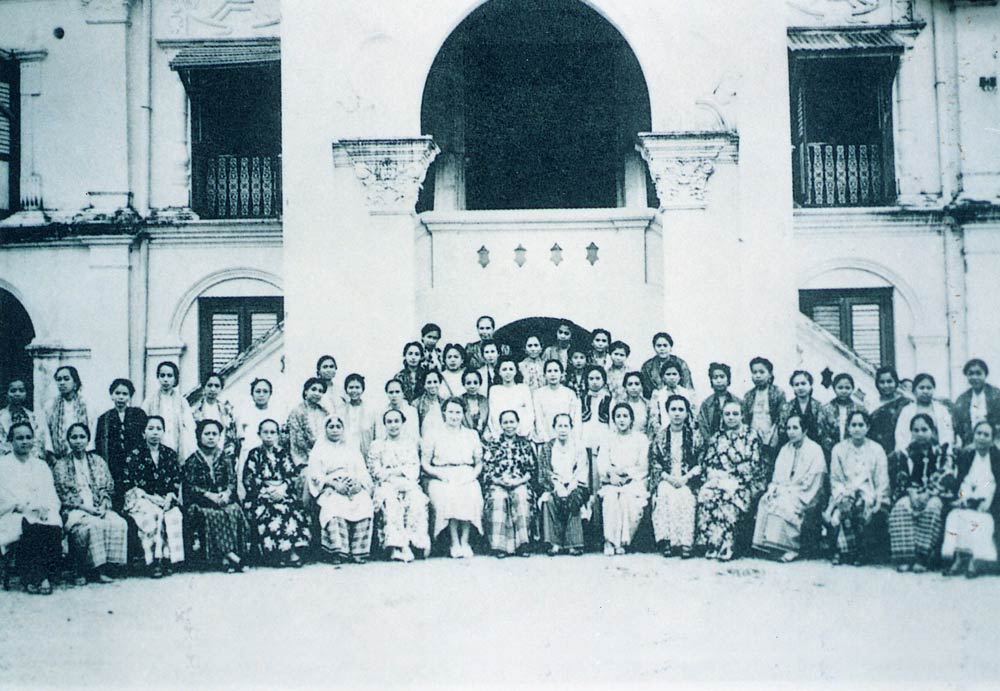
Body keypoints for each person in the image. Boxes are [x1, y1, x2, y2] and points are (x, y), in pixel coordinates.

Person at [52, 423, 128, 584]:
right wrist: (87, 509)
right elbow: (62, 494)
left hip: (97, 506)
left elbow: (108, 486)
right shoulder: (61, 465)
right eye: (74, 437)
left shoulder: (98, 461)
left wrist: (104, 503)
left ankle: (110, 566)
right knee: (94, 525)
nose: (78, 441)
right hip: (75, 509)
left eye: (82, 437)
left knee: (118, 522)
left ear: (88, 440)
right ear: (68, 440)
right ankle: (95, 570)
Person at [887, 413, 957, 572]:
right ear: (911, 432)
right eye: (916, 430)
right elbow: (902, 477)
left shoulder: (942, 452)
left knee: (932, 508)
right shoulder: (905, 453)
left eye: (924, 429)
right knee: (901, 507)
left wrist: (929, 493)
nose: (920, 433)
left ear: (932, 431)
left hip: (935, 494)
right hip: (911, 493)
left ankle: (922, 557)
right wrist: (912, 493)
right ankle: (905, 557)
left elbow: (946, 475)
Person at [752, 415, 827, 562]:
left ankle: (790, 548)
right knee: (766, 500)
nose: (791, 432)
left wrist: (789, 492)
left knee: (784, 503)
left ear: (804, 430)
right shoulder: (785, 449)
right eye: (788, 428)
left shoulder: (815, 450)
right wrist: (774, 489)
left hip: (805, 493)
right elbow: (777, 477)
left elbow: (815, 481)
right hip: (784, 490)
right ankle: (769, 545)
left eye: (795, 428)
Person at [696, 401, 764, 561]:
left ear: (742, 415)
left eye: (735, 414)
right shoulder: (717, 437)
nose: (731, 417)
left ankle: (727, 545)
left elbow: (754, 464)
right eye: (727, 414)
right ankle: (713, 543)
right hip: (720, 481)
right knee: (708, 495)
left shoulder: (751, 435)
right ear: (722, 416)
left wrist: (732, 479)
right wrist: (717, 477)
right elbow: (708, 462)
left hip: (744, 484)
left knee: (726, 497)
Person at [0, 422, 62, 594]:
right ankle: (37, 578)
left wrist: (46, 508)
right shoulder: (2, 465)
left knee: (52, 525)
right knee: (30, 526)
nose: (25, 441)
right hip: (12, 513)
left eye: (28, 437)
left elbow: (50, 494)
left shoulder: (41, 465)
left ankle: (42, 575)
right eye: (19, 438)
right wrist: (24, 507)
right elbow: (3, 495)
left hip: (42, 512)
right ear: (10, 441)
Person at [824, 411, 891, 566]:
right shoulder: (839, 449)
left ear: (867, 427)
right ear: (848, 428)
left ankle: (858, 552)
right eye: (853, 425)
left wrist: (878, 499)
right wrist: (842, 495)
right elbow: (835, 479)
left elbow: (882, 479)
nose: (857, 429)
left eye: (861, 425)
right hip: (845, 491)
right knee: (842, 508)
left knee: (861, 507)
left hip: (868, 492)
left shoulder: (877, 449)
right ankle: (844, 551)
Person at [242, 419, 311, 567]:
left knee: (292, 509)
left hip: (282, 493)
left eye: (272, 432)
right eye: (265, 432)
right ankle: (277, 554)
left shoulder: (283, 453)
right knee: (273, 511)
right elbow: (248, 478)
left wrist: (282, 488)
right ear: (259, 434)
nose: (269, 436)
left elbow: (292, 476)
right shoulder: (255, 454)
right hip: (261, 496)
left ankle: (292, 551)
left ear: (278, 435)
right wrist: (267, 491)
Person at [122, 416, 185, 577]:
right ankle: (152, 561)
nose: (155, 433)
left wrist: (170, 495)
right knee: (153, 514)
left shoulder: (169, 454)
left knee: (174, 515)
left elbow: (175, 479)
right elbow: (130, 483)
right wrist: (150, 498)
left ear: (163, 432)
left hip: (165, 498)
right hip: (140, 498)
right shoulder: (134, 454)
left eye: (158, 429)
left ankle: (168, 559)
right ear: (144, 433)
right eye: (150, 429)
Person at [183, 419, 249, 572]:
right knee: (213, 515)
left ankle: (226, 558)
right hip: (200, 502)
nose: (211, 437)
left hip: (223, 499)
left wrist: (226, 493)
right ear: (199, 436)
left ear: (219, 437)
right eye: (207, 434)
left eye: (214, 434)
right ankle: (231, 557)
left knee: (233, 510)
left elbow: (232, 480)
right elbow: (189, 486)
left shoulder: (225, 458)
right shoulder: (192, 460)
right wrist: (208, 495)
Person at [421, 398, 484, 558]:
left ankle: (465, 541)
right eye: (450, 412)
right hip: (441, 473)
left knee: (471, 493)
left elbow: (479, 463)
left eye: (458, 412)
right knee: (449, 494)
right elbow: (425, 463)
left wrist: (472, 475)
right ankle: (454, 542)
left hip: (466, 472)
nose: (454, 416)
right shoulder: (433, 433)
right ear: (444, 413)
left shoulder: (471, 435)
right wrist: (439, 474)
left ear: (463, 414)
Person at [307, 415, 374, 563]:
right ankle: (338, 551)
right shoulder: (319, 450)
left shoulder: (351, 449)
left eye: (338, 427)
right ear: (325, 429)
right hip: (331, 487)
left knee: (364, 502)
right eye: (331, 427)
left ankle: (359, 551)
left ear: (343, 429)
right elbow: (315, 475)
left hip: (352, 484)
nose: (335, 430)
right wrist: (333, 484)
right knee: (334, 505)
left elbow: (362, 471)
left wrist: (359, 484)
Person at [366, 409, 430, 562]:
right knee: (390, 500)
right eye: (389, 422)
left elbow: (413, 469)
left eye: (396, 421)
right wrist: (398, 472)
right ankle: (397, 546)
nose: (393, 425)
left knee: (417, 499)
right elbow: (375, 471)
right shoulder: (377, 445)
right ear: (384, 425)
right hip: (386, 484)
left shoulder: (409, 444)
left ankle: (415, 543)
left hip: (407, 483)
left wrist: (392, 472)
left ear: (402, 423)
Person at [942, 421, 1000, 578]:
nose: (981, 437)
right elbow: (962, 482)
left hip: (990, 503)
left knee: (981, 521)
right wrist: (962, 499)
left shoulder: (997, 459)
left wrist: (986, 503)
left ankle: (975, 561)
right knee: (955, 516)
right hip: (966, 499)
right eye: (978, 433)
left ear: (992, 439)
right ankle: (958, 559)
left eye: (986, 435)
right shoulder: (966, 456)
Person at [649, 394, 703, 558]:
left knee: (685, 496)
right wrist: (669, 478)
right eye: (673, 409)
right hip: (667, 478)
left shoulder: (695, 436)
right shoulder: (660, 436)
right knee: (665, 493)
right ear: (668, 412)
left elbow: (701, 461)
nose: (677, 413)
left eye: (681, 409)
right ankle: (667, 541)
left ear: (687, 413)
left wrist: (686, 478)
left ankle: (686, 542)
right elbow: (654, 462)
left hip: (688, 479)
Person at [596, 403, 649, 555]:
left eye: (625, 416)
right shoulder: (608, 439)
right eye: (618, 416)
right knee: (611, 498)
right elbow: (602, 462)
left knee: (628, 499)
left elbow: (643, 465)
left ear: (631, 419)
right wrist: (611, 474)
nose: (622, 420)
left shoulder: (641, 439)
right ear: (613, 419)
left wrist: (627, 474)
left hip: (634, 481)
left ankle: (623, 541)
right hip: (613, 481)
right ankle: (610, 541)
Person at [482, 410, 536, 558]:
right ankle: (499, 546)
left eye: (512, 422)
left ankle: (523, 544)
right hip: (498, 483)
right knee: (498, 498)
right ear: (500, 425)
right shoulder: (493, 444)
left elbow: (531, 470)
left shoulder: (525, 444)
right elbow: (487, 470)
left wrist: (518, 481)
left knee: (521, 495)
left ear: (517, 423)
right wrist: (499, 481)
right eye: (505, 422)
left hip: (520, 482)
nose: (509, 426)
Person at [536, 413, 589, 556]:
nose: (563, 430)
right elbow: (544, 470)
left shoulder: (578, 446)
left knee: (574, 499)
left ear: (571, 428)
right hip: (554, 486)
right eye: (560, 426)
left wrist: (572, 484)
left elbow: (582, 469)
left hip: (574, 485)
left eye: (566, 426)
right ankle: (554, 543)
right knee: (548, 501)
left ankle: (573, 544)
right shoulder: (547, 447)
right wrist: (556, 484)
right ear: (554, 428)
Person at [94, 378, 146, 512]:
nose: (121, 397)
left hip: (136, 466)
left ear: (130, 396)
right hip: (113, 466)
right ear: (112, 395)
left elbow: (145, 439)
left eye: (125, 394)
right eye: (117, 393)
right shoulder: (104, 418)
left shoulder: (138, 415)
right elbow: (99, 445)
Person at [142, 361, 196, 461]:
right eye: (162, 375)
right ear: (158, 377)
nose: (165, 379)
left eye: (169, 376)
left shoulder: (182, 402)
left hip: (176, 443)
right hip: (156, 444)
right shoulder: (150, 401)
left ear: (175, 378)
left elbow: (190, 427)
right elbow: (143, 424)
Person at [236, 378, 280, 501]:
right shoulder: (244, 413)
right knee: (246, 491)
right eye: (258, 391)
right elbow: (239, 439)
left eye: (265, 391)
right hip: (248, 456)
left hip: (270, 457)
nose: (261, 395)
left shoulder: (276, 413)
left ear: (270, 394)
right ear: (252, 393)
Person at [741, 357, 786, 471]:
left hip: (773, 437)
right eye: (754, 372)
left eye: (762, 372)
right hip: (753, 437)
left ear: (770, 374)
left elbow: (782, 417)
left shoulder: (778, 393)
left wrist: (774, 436)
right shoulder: (748, 396)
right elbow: (745, 419)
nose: (758, 375)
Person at [779, 370, 836, 455]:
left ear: (810, 385)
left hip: (814, 448)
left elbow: (822, 432)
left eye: (803, 383)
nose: (800, 387)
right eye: (796, 385)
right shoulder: (787, 407)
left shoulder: (818, 407)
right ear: (793, 387)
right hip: (792, 447)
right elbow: (782, 431)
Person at [894, 373, 955, 451]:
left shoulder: (942, 410)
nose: (925, 391)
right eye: (921, 388)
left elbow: (947, 433)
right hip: (912, 452)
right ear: (914, 390)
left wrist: (944, 452)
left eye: (929, 388)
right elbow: (901, 435)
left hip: (937, 452)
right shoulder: (907, 411)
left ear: (933, 389)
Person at [47, 365, 96, 459]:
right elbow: (47, 434)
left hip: (82, 456)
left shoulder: (87, 405)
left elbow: (92, 431)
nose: (62, 383)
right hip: (58, 458)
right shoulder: (50, 406)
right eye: (59, 379)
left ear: (75, 383)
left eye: (66, 379)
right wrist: (52, 455)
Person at [192, 372, 241, 460]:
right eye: (209, 385)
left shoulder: (227, 410)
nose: (213, 389)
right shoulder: (195, 411)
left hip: (224, 453)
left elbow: (232, 434)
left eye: (217, 386)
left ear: (221, 388)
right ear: (204, 387)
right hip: (202, 453)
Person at [953, 359, 1000, 449]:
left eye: (978, 373)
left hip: (995, 444)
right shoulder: (962, 399)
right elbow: (958, 427)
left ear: (985, 374)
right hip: (970, 446)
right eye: (970, 374)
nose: (974, 377)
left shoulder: (997, 395)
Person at [532, 360, 582, 444]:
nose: (553, 374)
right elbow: (538, 418)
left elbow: (574, 418)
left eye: (556, 371)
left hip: (566, 438)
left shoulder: (569, 393)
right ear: (544, 374)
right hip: (546, 438)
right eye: (549, 371)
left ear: (562, 374)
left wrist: (572, 439)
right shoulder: (538, 394)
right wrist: (545, 439)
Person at [0, 378, 51, 458]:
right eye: (13, 391)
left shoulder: (33, 418)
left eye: (21, 390)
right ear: (6, 394)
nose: (17, 394)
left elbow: (38, 442)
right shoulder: (1, 417)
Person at [487, 356, 534, 441]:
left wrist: (522, 433)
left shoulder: (523, 388)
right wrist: (500, 434)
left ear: (516, 371)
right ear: (499, 372)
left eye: (511, 369)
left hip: (522, 433)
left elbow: (529, 413)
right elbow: (493, 415)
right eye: (504, 369)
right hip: (500, 435)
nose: (508, 372)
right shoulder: (494, 390)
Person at [286, 377, 330, 468]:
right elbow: (297, 440)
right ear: (306, 391)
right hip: (304, 458)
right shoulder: (297, 411)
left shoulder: (324, 413)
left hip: (324, 456)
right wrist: (312, 456)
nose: (317, 393)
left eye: (320, 391)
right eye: (313, 389)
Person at [649, 358, 699, 434]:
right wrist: (660, 432)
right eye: (668, 374)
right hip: (664, 432)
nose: (672, 377)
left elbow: (695, 415)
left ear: (680, 376)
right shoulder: (658, 395)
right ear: (663, 377)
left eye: (674, 374)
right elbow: (654, 417)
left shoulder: (688, 393)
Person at [869, 366, 911, 454]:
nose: (886, 385)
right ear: (877, 384)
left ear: (896, 382)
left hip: (899, 449)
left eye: (889, 381)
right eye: (882, 382)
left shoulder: (905, 404)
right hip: (874, 450)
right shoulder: (870, 402)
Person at [822, 373, 867, 445]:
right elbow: (822, 432)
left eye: (847, 388)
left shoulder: (860, 409)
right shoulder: (825, 409)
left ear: (852, 389)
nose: (844, 391)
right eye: (840, 388)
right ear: (834, 388)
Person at [698, 363, 740, 439]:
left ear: (728, 379)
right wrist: (710, 441)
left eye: (722, 377)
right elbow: (703, 427)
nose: (719, 381)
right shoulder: (706, 404)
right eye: (715, 377)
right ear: (711, 381)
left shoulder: (737, 402)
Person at [373, 379, 420, 443]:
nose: (394, 395)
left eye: (397, 392)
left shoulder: (411, 412)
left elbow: (414, 436)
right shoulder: (381, 412)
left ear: (403, 393)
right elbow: (379, 435)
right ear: (387, 393)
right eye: (391, 392)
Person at [341, 373, 376, 458]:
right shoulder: (340, 410)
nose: (354, 391)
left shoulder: (370, 410)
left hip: (366, 451)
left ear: (362, 389)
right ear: (346, 389)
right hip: (345, 452)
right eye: (351, 387)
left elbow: (375, 434)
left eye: (357, 387)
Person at [615, 372, 651, 438]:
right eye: (630, 384)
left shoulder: (648, 405)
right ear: (625, 387)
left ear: (642, 386)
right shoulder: (619, 405)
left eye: (637, 384)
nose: (633, 387)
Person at [414, 370, 445, 441]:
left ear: (440, 383)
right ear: (424, 385)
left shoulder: (445, 403)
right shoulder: (417, 404)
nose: (432, 385)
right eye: (429, 382)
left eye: (435, 382)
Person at [460, 371, 489, 438]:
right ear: (464, 384)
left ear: (480, 384)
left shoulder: (484, 401)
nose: (472, 386)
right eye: (468, 383)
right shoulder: (460, 401)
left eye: (475, 383)